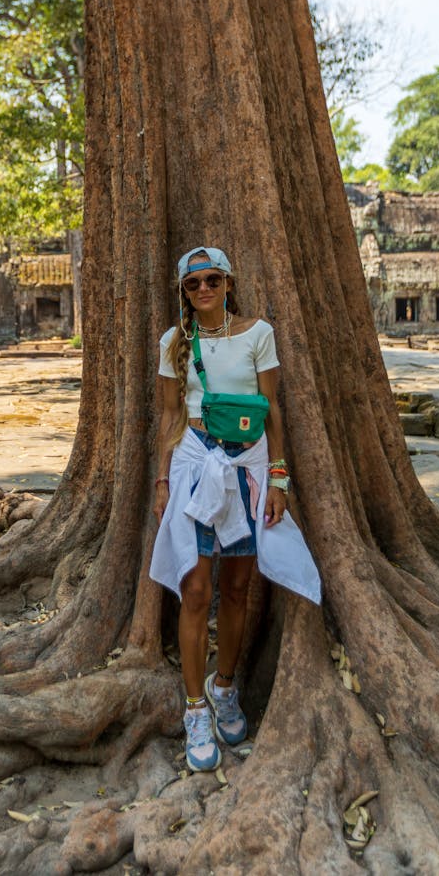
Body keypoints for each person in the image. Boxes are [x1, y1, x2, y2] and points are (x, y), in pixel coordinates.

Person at [149, 246, 320, 772]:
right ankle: (195, 706)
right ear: (183, 291)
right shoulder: (174, 342)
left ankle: (226, 687)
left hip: (249, 465)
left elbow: (271, 415)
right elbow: (170, 414)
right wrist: (161, 481)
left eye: (213, 280)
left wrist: (279, 479)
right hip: (196, 463)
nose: (204, 289)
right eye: (194, 283)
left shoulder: (257, 333)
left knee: (240, 588)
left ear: (228, 282)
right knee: (196, 589)